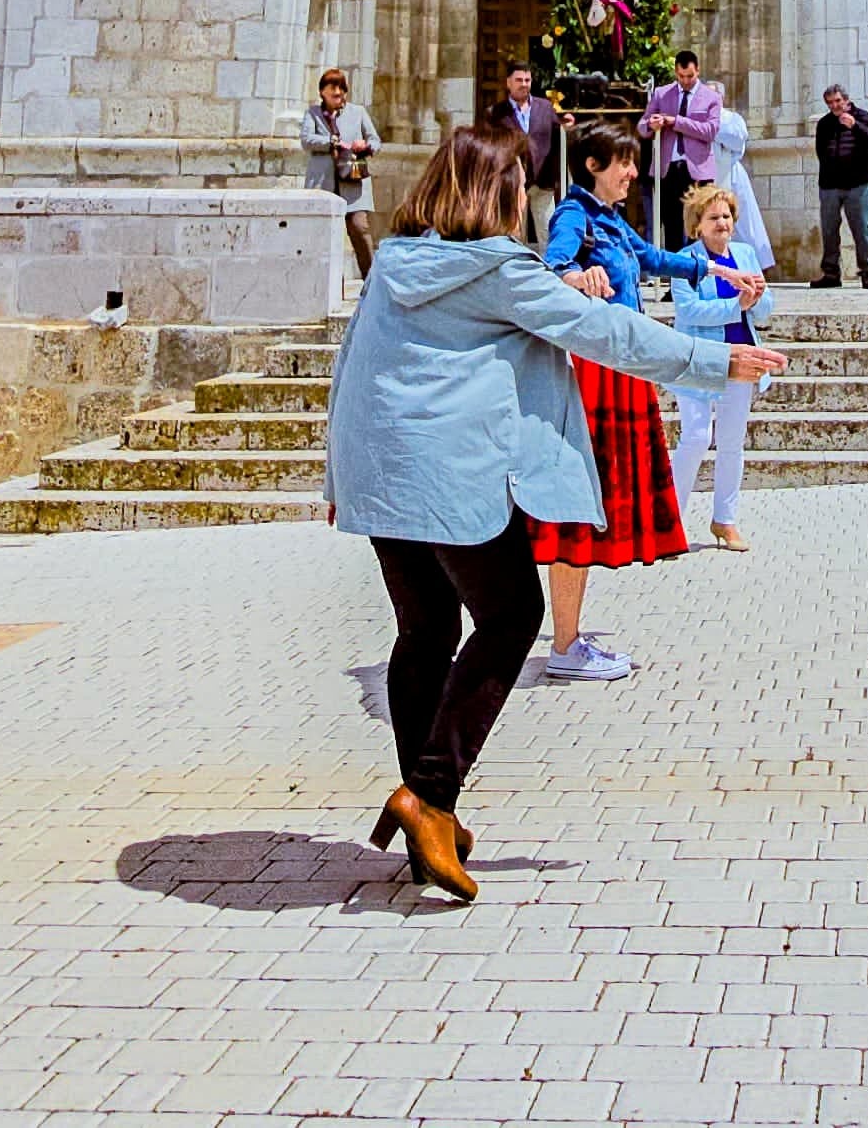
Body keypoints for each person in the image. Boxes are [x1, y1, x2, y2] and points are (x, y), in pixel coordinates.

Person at [319, 126, 775, 900]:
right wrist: (710, 359)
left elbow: (350, 364)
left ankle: (426, 807)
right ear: (498, 193)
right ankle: (430, 794)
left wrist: (339, 472)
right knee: (510, 616)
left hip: (384, 476)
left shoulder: (394, 263)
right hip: (455, 477)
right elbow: (599, 330)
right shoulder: (497, 268)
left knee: (424, 632)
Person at [531, 124, 740, 679]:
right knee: (581, 502)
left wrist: (718, 268)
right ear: (594, 164)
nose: (632, 172)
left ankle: (568, 638)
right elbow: (551, 268)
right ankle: (565, 644)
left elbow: (654, 259)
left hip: (622, 368)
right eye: (623, 162)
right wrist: (578, 275)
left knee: (598, 502)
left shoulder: (614, 222)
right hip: (596, 372)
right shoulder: (574, 215)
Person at [664, 183, 771, 552]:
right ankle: (672, 519)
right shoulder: (686, 261)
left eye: (726, 216)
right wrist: (735, 306)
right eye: (714, 217)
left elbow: (766, 308)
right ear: (698, 224)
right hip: (697, 359)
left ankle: (724, 520)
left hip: (740, 358)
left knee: (731, 442)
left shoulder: (744, 254)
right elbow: (689, 310)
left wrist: (756, 299)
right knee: (695, 436)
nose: (722, 223)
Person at [301, 69, 378, 281]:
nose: (338, 95)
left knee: (359, 228)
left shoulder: (358, 112)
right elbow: (306, 140)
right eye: (333, 90)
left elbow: (375, 140)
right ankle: (325, 285)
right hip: (323, 183)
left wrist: (365, 145)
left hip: (352, 182)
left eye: (341, 90)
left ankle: (371, 282)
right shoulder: (313, 114)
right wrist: (332, 142)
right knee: (321, 236)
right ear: (322, 92)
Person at [808, 85, 868, 288]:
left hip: (857, 185)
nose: (834, 106)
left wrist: (855, 126)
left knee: (862, 229)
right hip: (830, 185)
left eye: (838, 101)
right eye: (830, 103)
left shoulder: (863, 117)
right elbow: (821, 151)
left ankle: (867, 272)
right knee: (829, 230)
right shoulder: (824, 124)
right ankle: (831, 274)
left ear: (846, 100)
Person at [641, 52, 717, 250]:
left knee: (699, 223)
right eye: (681, 76)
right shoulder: (661, 93)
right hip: (668, 168)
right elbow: (641, 126)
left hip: (698, 170)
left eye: (690, 76)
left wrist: (676, 122)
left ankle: (698, 272)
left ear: (698, 70)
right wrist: (652, 125)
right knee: (672, 223)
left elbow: (710, 131)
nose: (685, 81)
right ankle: (676, 275)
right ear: (676, 72)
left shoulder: (711, 97)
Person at [706, 97, 773, 271]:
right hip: (706, 176)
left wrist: (707, 128)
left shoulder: (731, 118)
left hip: (731, 174)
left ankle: (753, 266)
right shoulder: (696, 117)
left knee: (744, 224)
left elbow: (737, 139)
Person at [494, 63, 564, 187]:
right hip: (511, 184)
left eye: (527, 80)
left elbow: (557, 138)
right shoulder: (496, 113)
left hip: (543, 184)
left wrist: (567, 126)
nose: (524, 84)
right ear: (508, 83)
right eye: (519, 80)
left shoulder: (545, 107)